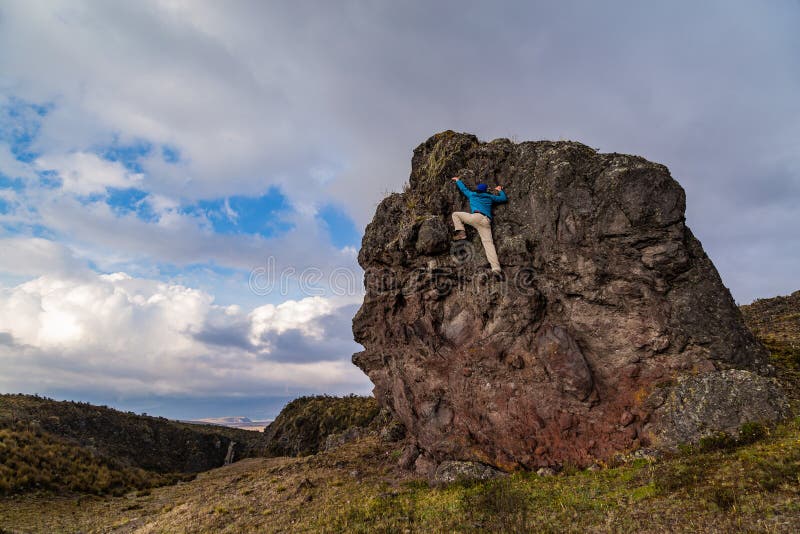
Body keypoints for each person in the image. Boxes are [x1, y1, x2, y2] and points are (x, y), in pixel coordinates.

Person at [450, 176, 508, 273]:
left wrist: (458, 180)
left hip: (475, 217)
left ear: (477, 189)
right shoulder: (490, 197)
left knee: (455, 214)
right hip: (486, 221)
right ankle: (496, 268)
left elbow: (463, 189)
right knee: (488, 244)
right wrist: (500, 190)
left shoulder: (472, 194)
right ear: (485, 190)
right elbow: (503, 199)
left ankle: (461, 232)